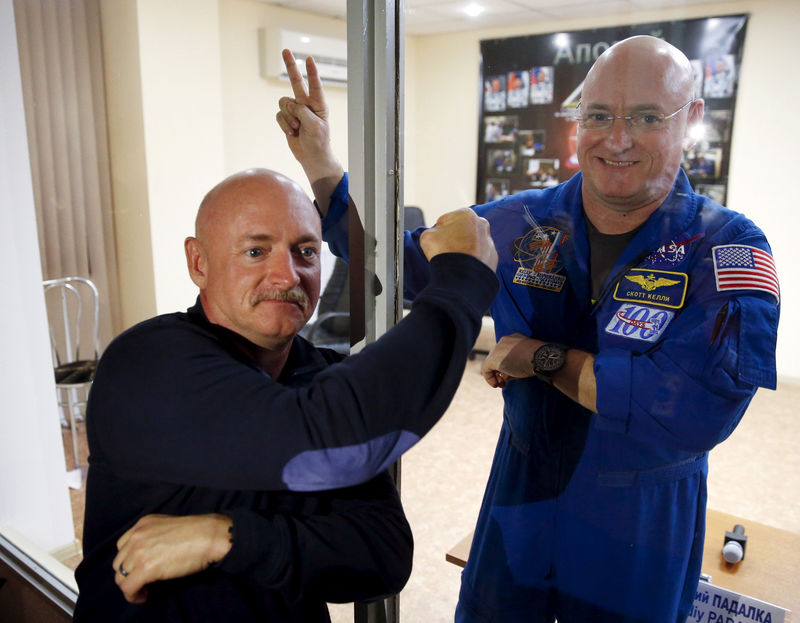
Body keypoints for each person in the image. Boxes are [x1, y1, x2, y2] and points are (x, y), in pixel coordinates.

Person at [276, 35, 779, 623]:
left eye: (646, 117)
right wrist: (321, 164)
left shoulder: (729, 248)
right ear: (578, 121)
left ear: (691, 119)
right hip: (522, 492)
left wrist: (543, 358)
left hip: (641, 521)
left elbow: (694, 412)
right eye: (598, 115)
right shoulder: (520, 222)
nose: (617, 139)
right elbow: (390, 265)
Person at [72, 168, 499, 621]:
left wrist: (226, 537)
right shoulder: (148, 362)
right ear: (199, 262)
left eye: (306, 252)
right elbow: (321, 440)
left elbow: (381, 558)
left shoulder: (323, 377)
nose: (286, 274)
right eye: (256, 251)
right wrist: (461, 282)